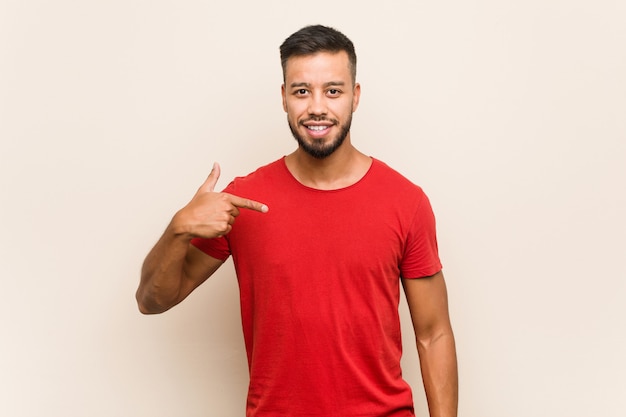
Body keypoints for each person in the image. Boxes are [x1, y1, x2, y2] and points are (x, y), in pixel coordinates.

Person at [137, 24, 458, 417]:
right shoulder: (243, 201)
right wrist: (178, 229)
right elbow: (152, 301)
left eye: (333, 90)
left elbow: (434, 334)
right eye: (302, 91)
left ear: (355, 97)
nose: (317, 107)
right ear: (284, 98)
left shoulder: (405, 202)